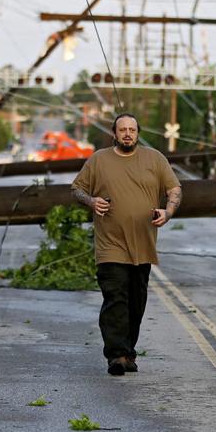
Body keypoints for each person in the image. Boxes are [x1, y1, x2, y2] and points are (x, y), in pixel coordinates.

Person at [72, 113, 182, 376]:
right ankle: (116, 355)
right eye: (123, 130)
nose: (128, 134)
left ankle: (128, 352)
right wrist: (91, 201)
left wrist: (168, 212)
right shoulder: (99, 160)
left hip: (143, 245)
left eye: (132, 129)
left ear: (138, 132)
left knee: (136, 301)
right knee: (115, 297)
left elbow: (174, 190)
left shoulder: (154, 159)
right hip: (110, 245)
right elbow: (76, 189)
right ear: (114, 133)